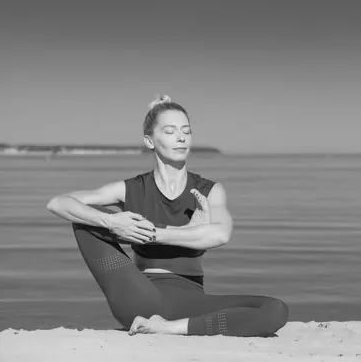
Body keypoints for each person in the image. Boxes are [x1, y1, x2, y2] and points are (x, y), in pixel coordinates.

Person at [46, 95, 289, 336]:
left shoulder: (209, 190)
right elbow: (58, 203)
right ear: (150, 141)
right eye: (170, 131)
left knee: (274, 310)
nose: (181, 137)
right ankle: (170, 324)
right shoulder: (131, 188)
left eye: (186, 131)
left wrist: (152, 233)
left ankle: (168, 328)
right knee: (85, 218)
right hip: (138, 296)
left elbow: (220, 234)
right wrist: (112, 222)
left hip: (191, 302)